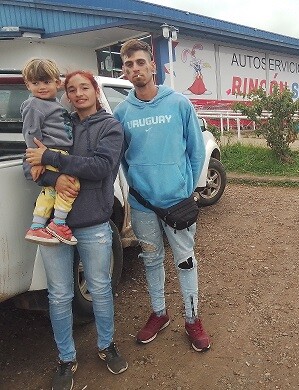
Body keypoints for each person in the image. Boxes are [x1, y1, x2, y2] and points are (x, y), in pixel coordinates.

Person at [25, 70, 128, 390]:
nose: (79, 93)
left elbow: (100, 168)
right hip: (53, 228)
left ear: (96, 90)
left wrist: (52, 158)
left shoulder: (111, 127)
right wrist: (55, 177)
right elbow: (31, 168)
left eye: (85, 87)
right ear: (66, 94)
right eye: (72, 89)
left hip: (93, 223)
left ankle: (106, 344)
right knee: (59, 295)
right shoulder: (59, 121)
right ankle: (66, 358)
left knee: (99, 288)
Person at [114, 39, 211, 351]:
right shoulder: (122, 111)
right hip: (142, 206)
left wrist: (187, 191)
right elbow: (123, 158)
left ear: (153, 66)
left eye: (140, 63)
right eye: (129, 65)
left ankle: (192, 319)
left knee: (185, 261)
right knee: (151, 260)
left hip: (177, 203)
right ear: (125, 71)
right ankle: (159, 313)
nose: (135, 69)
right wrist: (138, 188)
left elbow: (196, 151)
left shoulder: (178, 103)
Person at [21, 58, 79, 246]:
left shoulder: (55, 104)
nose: (41, 87)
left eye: (46, 82)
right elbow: (31, 132)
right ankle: (58, 223)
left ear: (57, 82)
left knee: (51, 191)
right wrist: (36, 160)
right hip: (49, 152)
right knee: (72, 184)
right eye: (35, 83)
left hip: (57, 152)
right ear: (28, 84)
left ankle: (38, 225)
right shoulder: (34, 105)